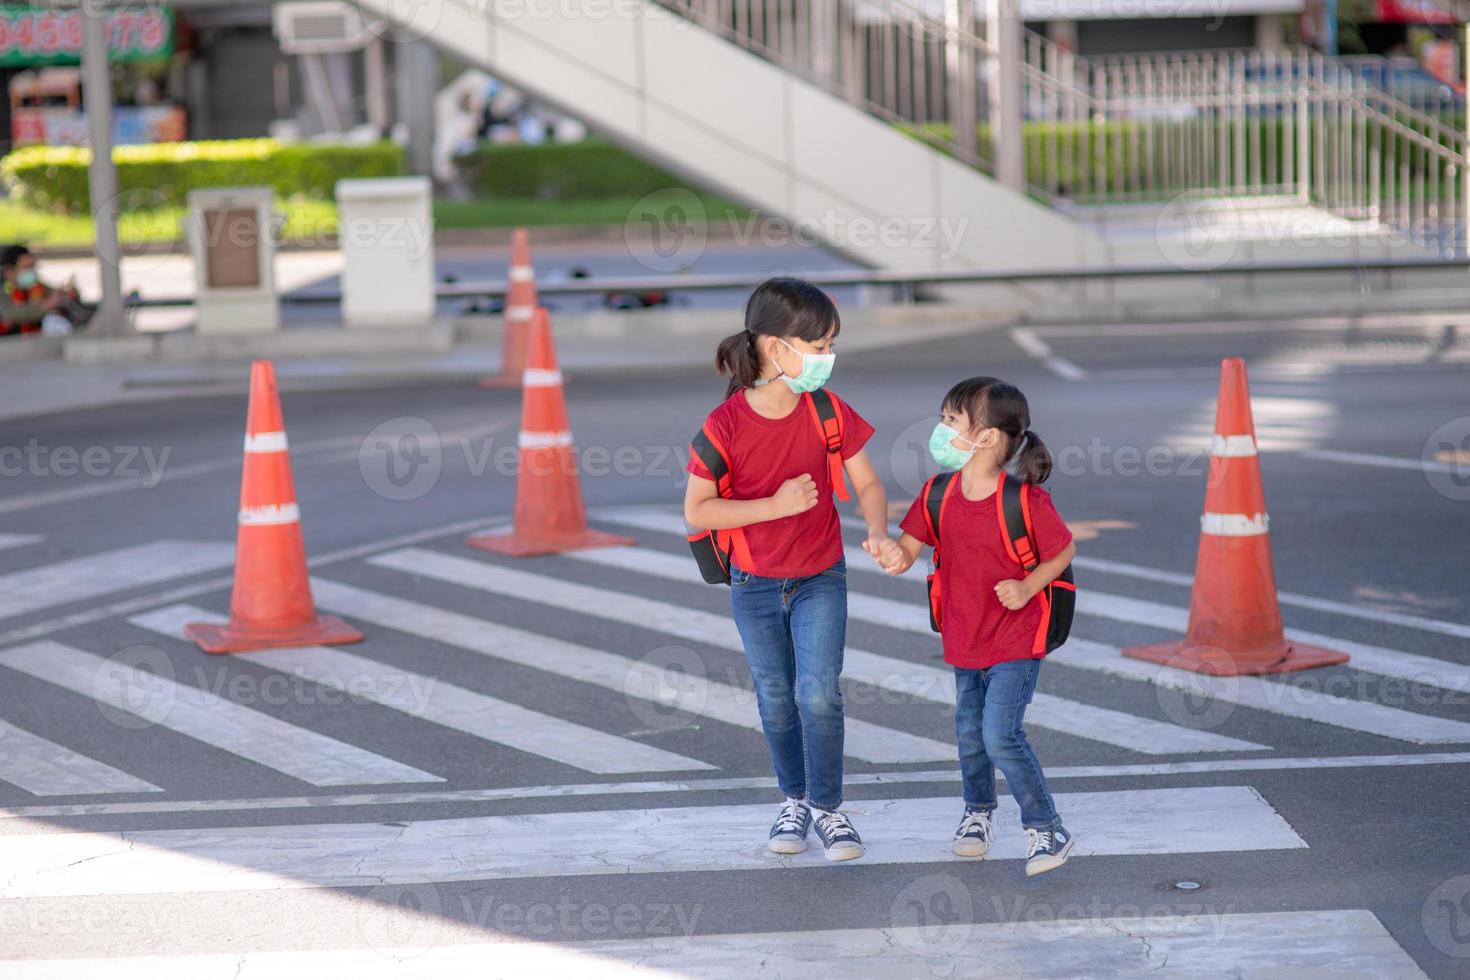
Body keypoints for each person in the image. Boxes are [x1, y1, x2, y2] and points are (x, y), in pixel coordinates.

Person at [683, 277, 895, 861]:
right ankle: (793, 799)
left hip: (821, 577)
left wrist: (878, 532)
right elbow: (697, 509)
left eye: (830, 345)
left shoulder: (827, 410)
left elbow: (869, 481)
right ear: (777, 348)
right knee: (776, 697)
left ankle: (829, 808)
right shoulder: (725, 424)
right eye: (820, 345)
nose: (828, 358)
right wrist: (773, 506)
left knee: (819, 693)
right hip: (753, 583)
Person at [872, 377, 1079, 876]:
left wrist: (1029, 587)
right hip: (964, 634)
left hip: (1016, 636)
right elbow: (908, 550)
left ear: (986, 437)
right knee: (969, 733)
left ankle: (1046, 825)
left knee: (999, 735)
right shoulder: (937, 492)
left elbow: (1062, 550)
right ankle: (978, 812)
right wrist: (889, 553)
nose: (940, 431)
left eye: (950, 421)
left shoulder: (1024, 501)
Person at [0, 245, 91, 337]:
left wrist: (67, 293)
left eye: (32, 267)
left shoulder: (36, 286)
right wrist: (46, 305)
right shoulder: (4, 291)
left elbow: (55, 294)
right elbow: (9, 314)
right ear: (9, 270)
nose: (30, 272)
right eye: (26, 268)